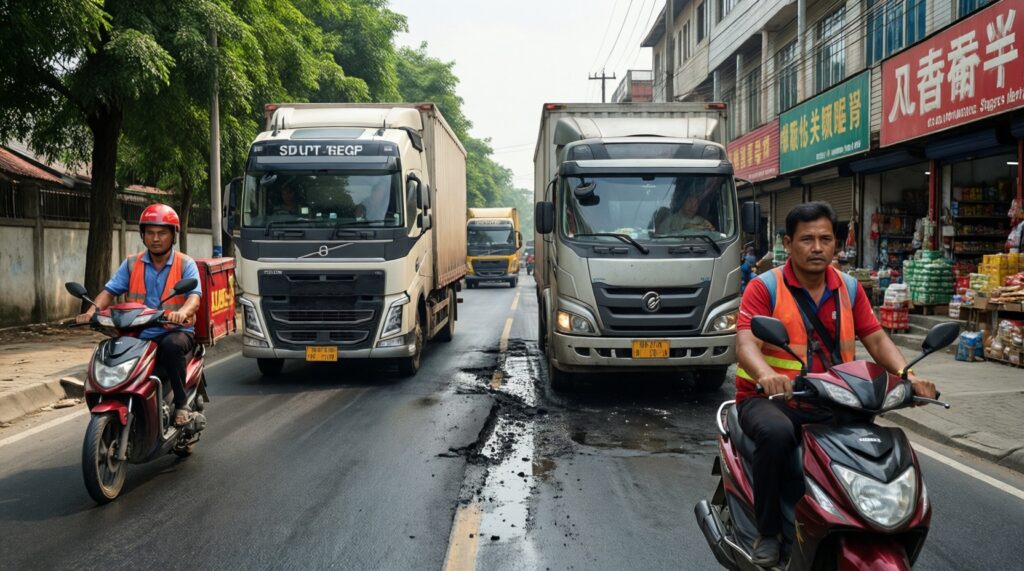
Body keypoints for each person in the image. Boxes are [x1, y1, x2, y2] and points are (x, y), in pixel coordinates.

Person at [734, 201, 937, 566]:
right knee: (777, 435)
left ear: (836, 245)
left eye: (825, 239)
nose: (816, 247)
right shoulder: (765, 287)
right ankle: (768, 532)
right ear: (788, 242)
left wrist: (908, 376)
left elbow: (876, 339)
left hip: (835, 397)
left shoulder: (850, 288)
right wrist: (767, 375)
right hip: (772, 399)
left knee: (869, 448)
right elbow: (746, 342)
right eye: (807, 239)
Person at [76, 204, 203, 427]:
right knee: (110, 351)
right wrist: (90, 313)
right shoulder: (132, 263)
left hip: (174, 330)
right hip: (138, 332)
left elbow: (194, 298)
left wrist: (180, 313)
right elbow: (109, 291)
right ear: (142, 235)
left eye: (162, 233)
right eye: (150, 233)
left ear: (173, 235)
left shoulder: (185, 263)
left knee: (172, 347)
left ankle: (181, 404)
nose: (156, 238)